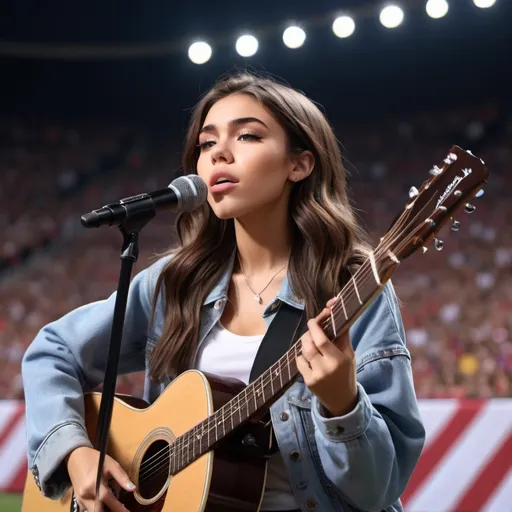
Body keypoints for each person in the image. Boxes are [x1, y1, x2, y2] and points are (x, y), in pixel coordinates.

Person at [22, 71, 426, 512]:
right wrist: (77, 453)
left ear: (300, 164)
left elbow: (376, 492)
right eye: (207, 143)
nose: (219, 156)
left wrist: (342, 403)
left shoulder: (351, 290)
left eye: (248, 136)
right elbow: (52, 351)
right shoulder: (174, 283)